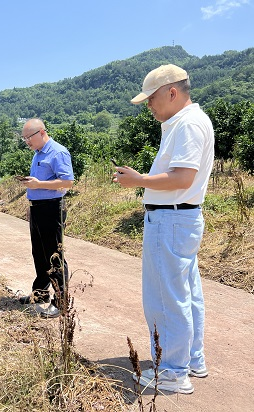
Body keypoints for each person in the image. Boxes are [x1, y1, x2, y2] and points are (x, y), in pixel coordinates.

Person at [113, 64, 214, 394]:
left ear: (172, 92)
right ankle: (191, 359)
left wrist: (139, 180)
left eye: (151, 99)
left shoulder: (187, 124)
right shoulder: (187, 121)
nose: (149, 106)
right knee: (185, 293)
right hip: (179, 218)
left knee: (166, 297)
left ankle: (172, 371)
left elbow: (182, 177)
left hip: (170, 219)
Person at [17, 118, 74, 318]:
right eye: (24, 139)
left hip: (51, 208)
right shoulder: (38, 153)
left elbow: (67, 182)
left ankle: (60, 302)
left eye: (29, 137)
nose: (27, 142)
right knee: (39, 254)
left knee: (54, 256)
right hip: (38, 208)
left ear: (41, 132)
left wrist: (39, 184)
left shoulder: (57, 152)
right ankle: (40, 293)